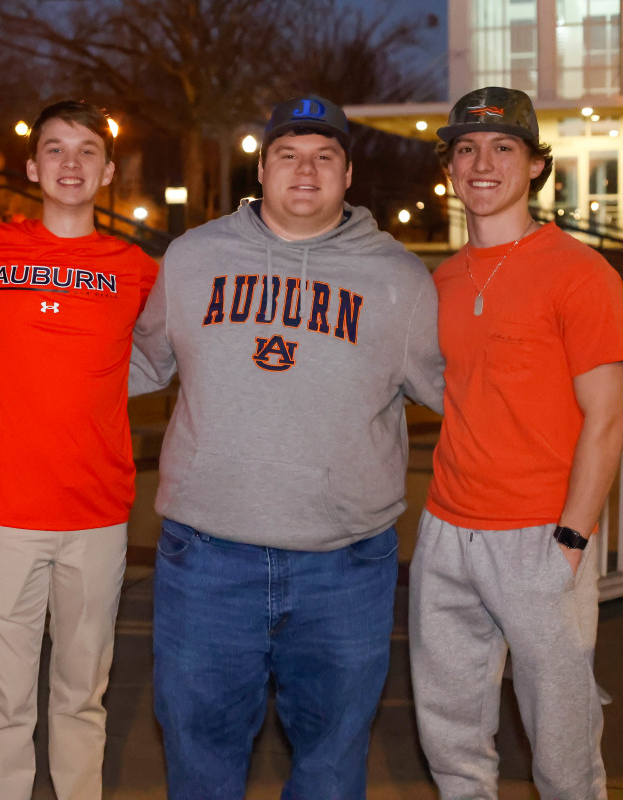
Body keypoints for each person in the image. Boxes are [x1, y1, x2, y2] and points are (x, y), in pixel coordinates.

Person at [129, 94, 444, 799]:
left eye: (324, 156)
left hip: (347, 565)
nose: (306, 170)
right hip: (206, 559)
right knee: (199, 763)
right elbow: (135, 364)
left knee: (332, 769)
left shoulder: (400, 280)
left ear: (349, 173)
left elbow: (466, 394)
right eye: (289, 155)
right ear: (263, 166)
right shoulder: (192, 259)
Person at [410, 86, 623, 800]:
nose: (482, 162)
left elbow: (607, 418)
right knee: (452, 741)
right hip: (445, 531)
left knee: (564, 756)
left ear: (535, 165)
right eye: (466, 148)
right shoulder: (439, 280)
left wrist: (573, 536)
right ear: (449, 168)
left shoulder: (580, 273)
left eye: (504, 148)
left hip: (542, 533)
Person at [0, 100, 159, 800]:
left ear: (109, 171)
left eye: (85, 151)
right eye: (55, 149)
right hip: (6, 511)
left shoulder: (135, 268)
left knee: (82, 697)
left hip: (98, 514)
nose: (70, 163)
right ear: (31, 166)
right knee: (3, 704)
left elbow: (172, 355)